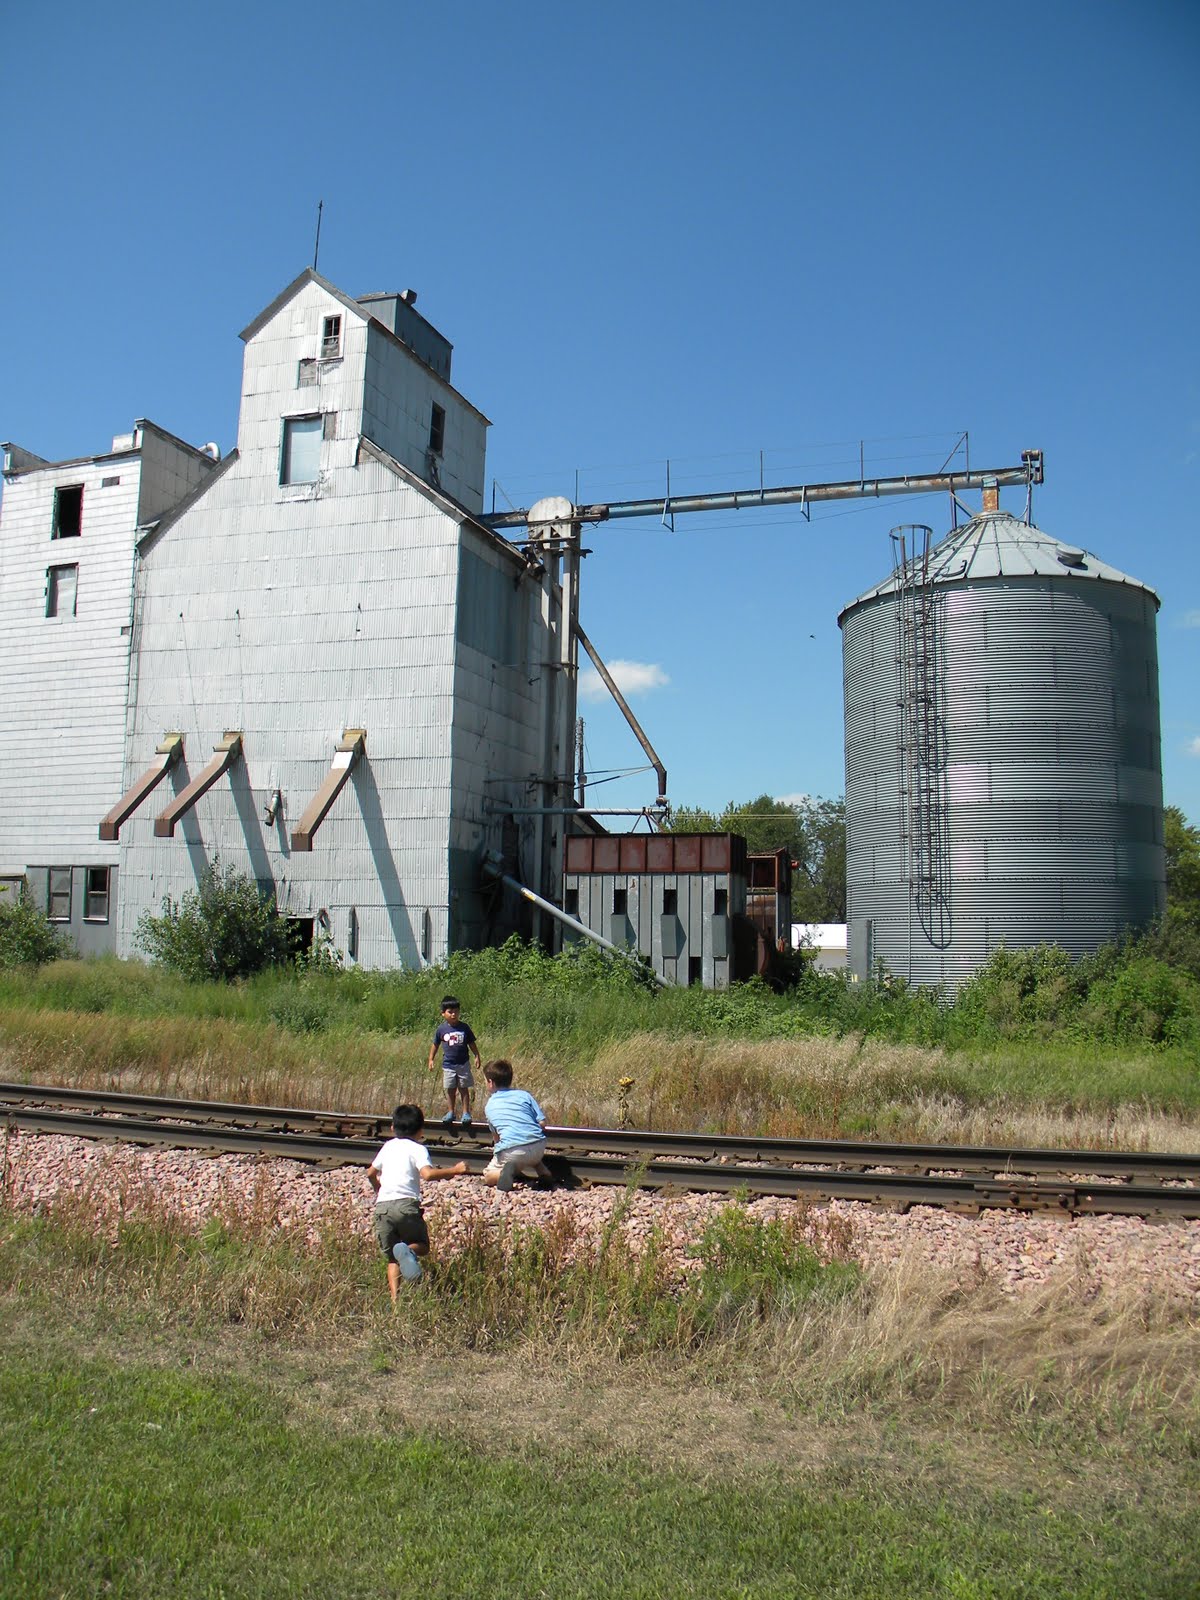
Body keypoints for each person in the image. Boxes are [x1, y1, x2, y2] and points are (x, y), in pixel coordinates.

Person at [366, 1103, 466, 1301]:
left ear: (392, 1128)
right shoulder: (418, 1148)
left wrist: (378, 1188)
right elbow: (427, 1174)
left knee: (393, 1257)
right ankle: (408, 1250)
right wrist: (454, 1170)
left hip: (383, 1207)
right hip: (406, 1206)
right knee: (421, 1245)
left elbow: (370, 1172)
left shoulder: (388, 1146)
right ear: (421, 1130)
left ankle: (395, 1302)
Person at [481, 1059, 553, 1191]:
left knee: (488, 1175)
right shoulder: (524, 1095)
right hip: (539, 1147)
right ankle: (544, 1173)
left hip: (514, 1152)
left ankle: (505, 1172)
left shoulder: (490, 1105)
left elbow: (496, 1138)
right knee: (530, 1149)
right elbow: (542, 1123)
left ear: (490, 1083)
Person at [427, 994, 481, 1126]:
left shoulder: (464, 1027)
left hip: (463, 1064)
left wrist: (477, 1055)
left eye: (456, 1011)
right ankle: (451, 1112)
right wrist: (431, 1059)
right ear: (443, 1014)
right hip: (448, 1065)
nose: (453, 1014)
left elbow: (472, 1043)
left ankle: (466, 1113)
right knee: (450, 1089)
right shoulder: (441, 1029)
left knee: (464, 1088)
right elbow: (435, 1044)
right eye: (450, 1012)